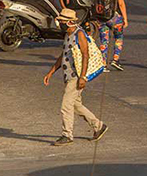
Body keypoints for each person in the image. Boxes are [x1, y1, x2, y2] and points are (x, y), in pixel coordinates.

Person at [42, 8, 108, 147]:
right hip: (68, 76)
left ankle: (67, 135)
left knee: (66, 106)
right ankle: (98, 126)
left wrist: (83, 77)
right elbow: (64, 55)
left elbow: (85, 55)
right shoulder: (68, 34)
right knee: (76, 105)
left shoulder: (79, 34)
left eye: (62, 21)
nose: (60, 24)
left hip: (76, 76)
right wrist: (51, 72)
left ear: (70, 22)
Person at [96, 0, 128, 72]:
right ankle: (115, 59)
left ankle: (103, 63)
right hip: (114, 17)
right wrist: (125, 19)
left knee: (104, 41)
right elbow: (121, 3)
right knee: (118, 37)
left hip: (101, 17)